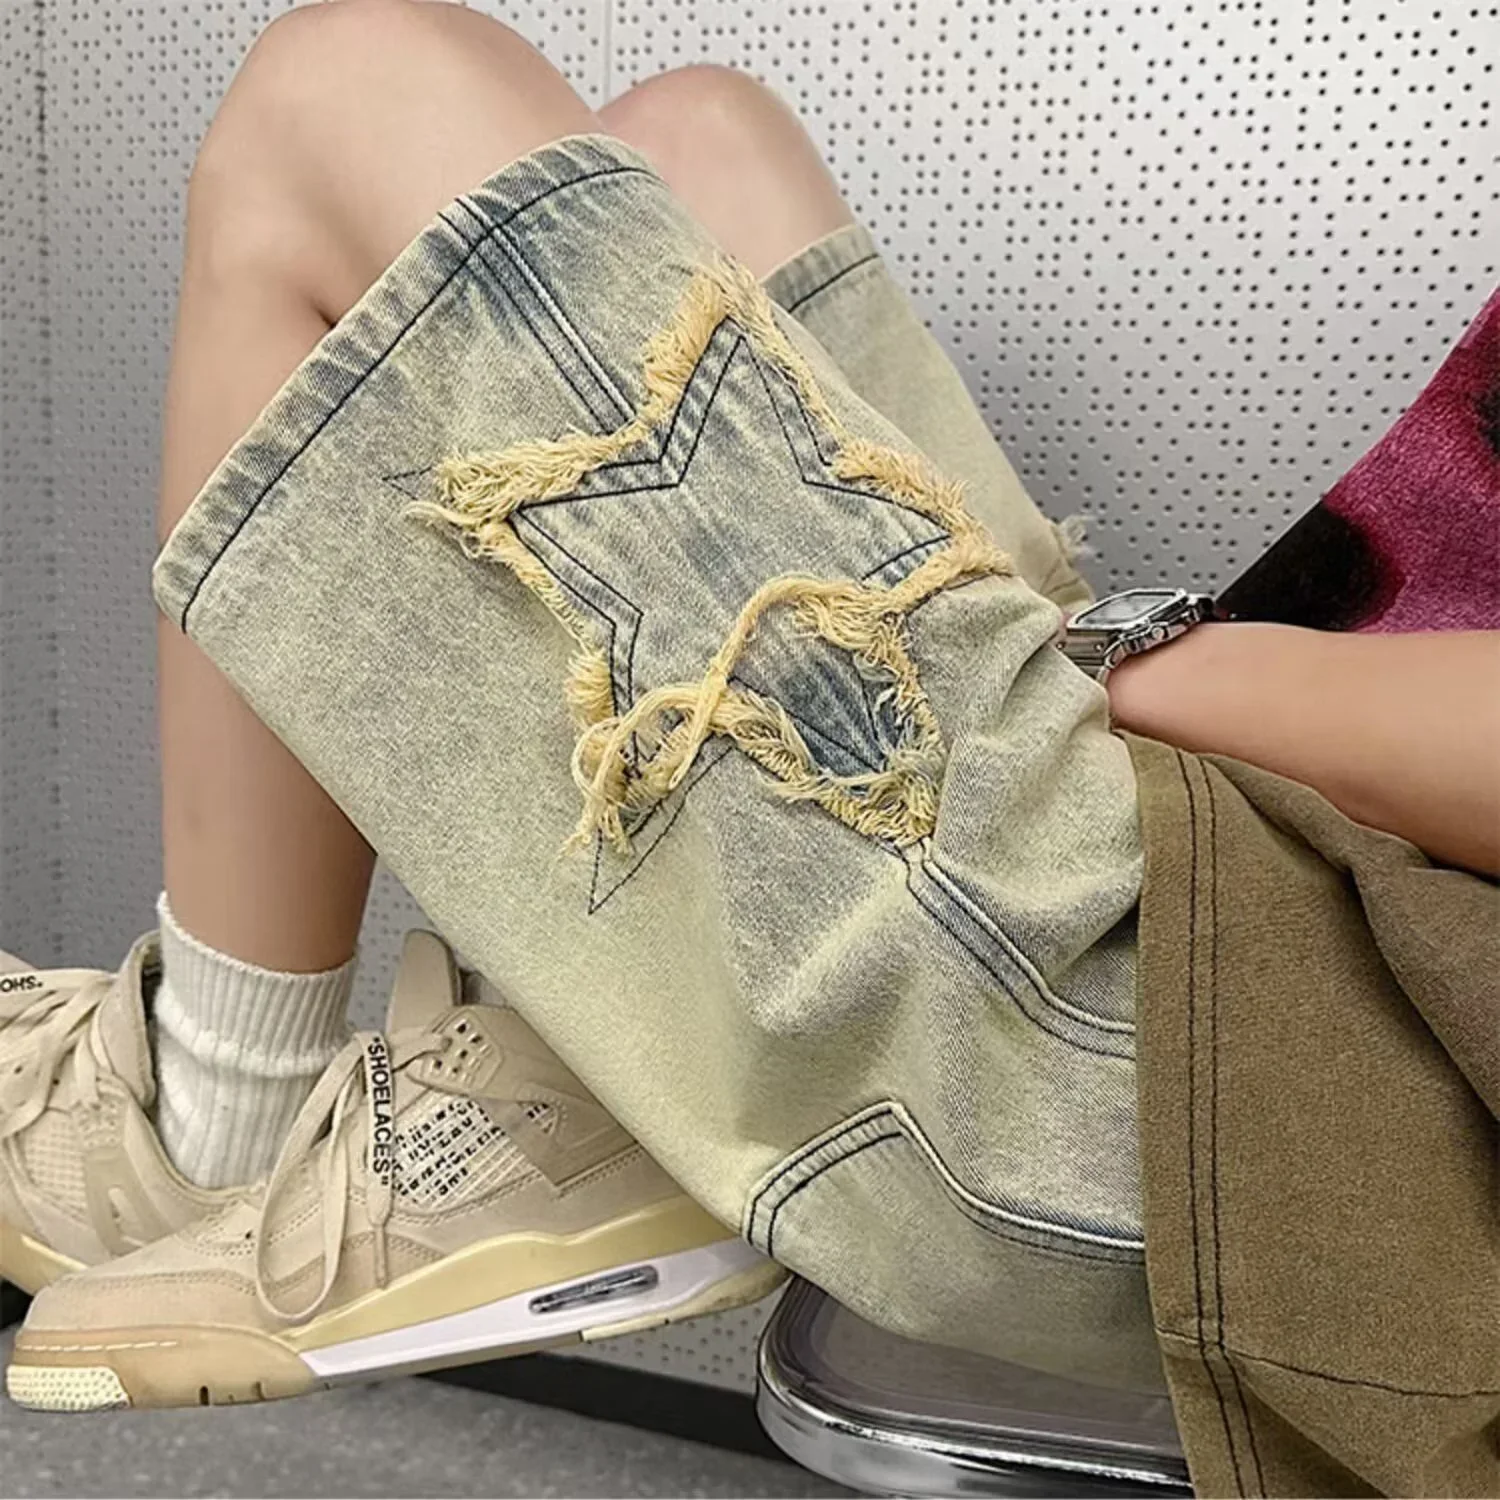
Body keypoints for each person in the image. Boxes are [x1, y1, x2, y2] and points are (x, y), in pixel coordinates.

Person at [2, 4, 1495, 1491]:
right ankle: (573, 1082)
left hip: (1277, 1085)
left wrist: (1142, 665)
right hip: (1288, 916)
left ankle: (211, 1113)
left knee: (341, 94)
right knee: (699, 138)